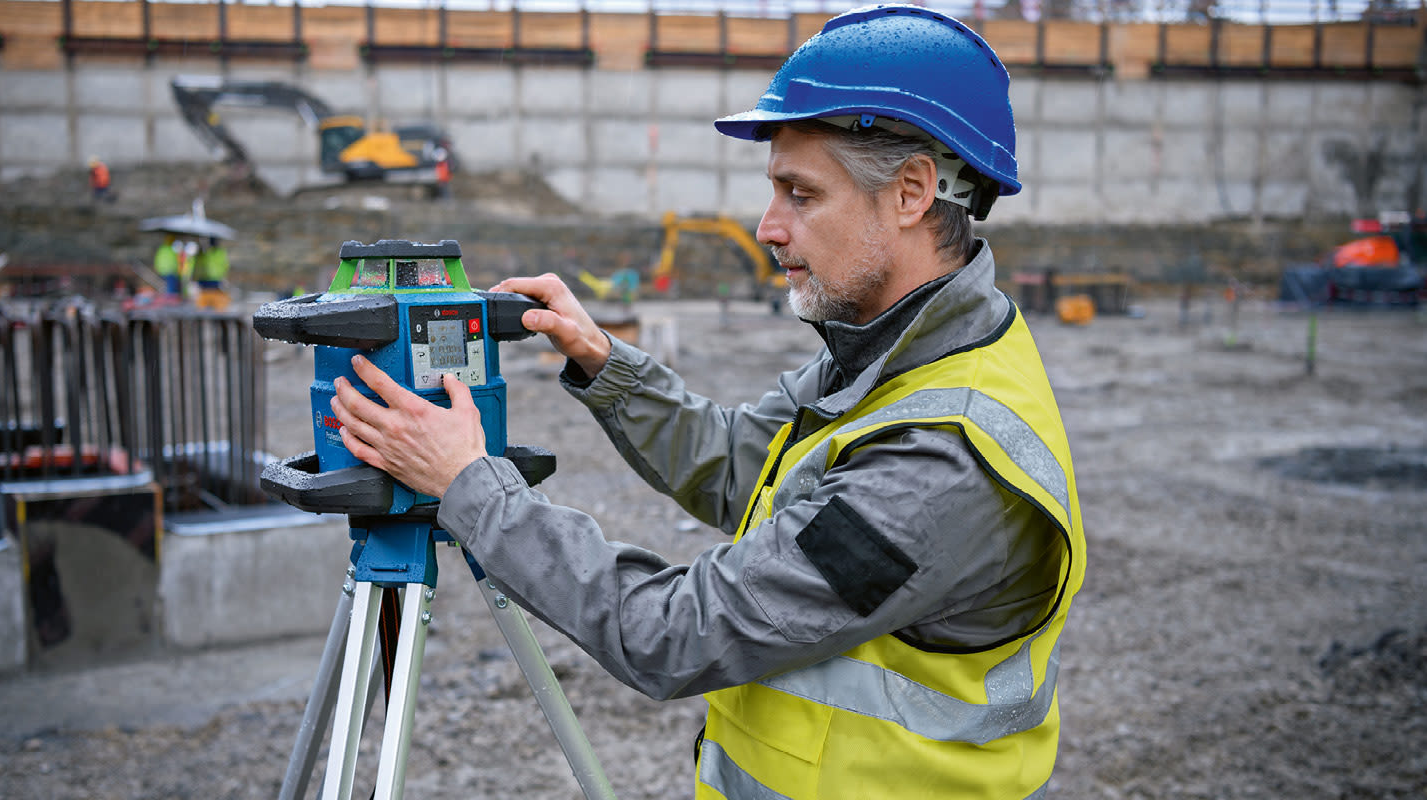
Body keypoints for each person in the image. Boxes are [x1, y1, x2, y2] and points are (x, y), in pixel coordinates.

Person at [330, 6, 1086, 798]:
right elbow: (738, 467)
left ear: (911, 193)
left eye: (800, 193)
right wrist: (605, 363)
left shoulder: (940, 464)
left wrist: (470, 487)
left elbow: (677, 635)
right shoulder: (891, 355)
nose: (768, 227)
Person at [192, 237, 231, 310]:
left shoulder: (208, 253)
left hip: (209, 278)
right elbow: (225, 266)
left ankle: (208, 309)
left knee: (207, 296)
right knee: (211, 296)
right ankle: (211, 309)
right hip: (212, 278)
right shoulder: (219, 253)